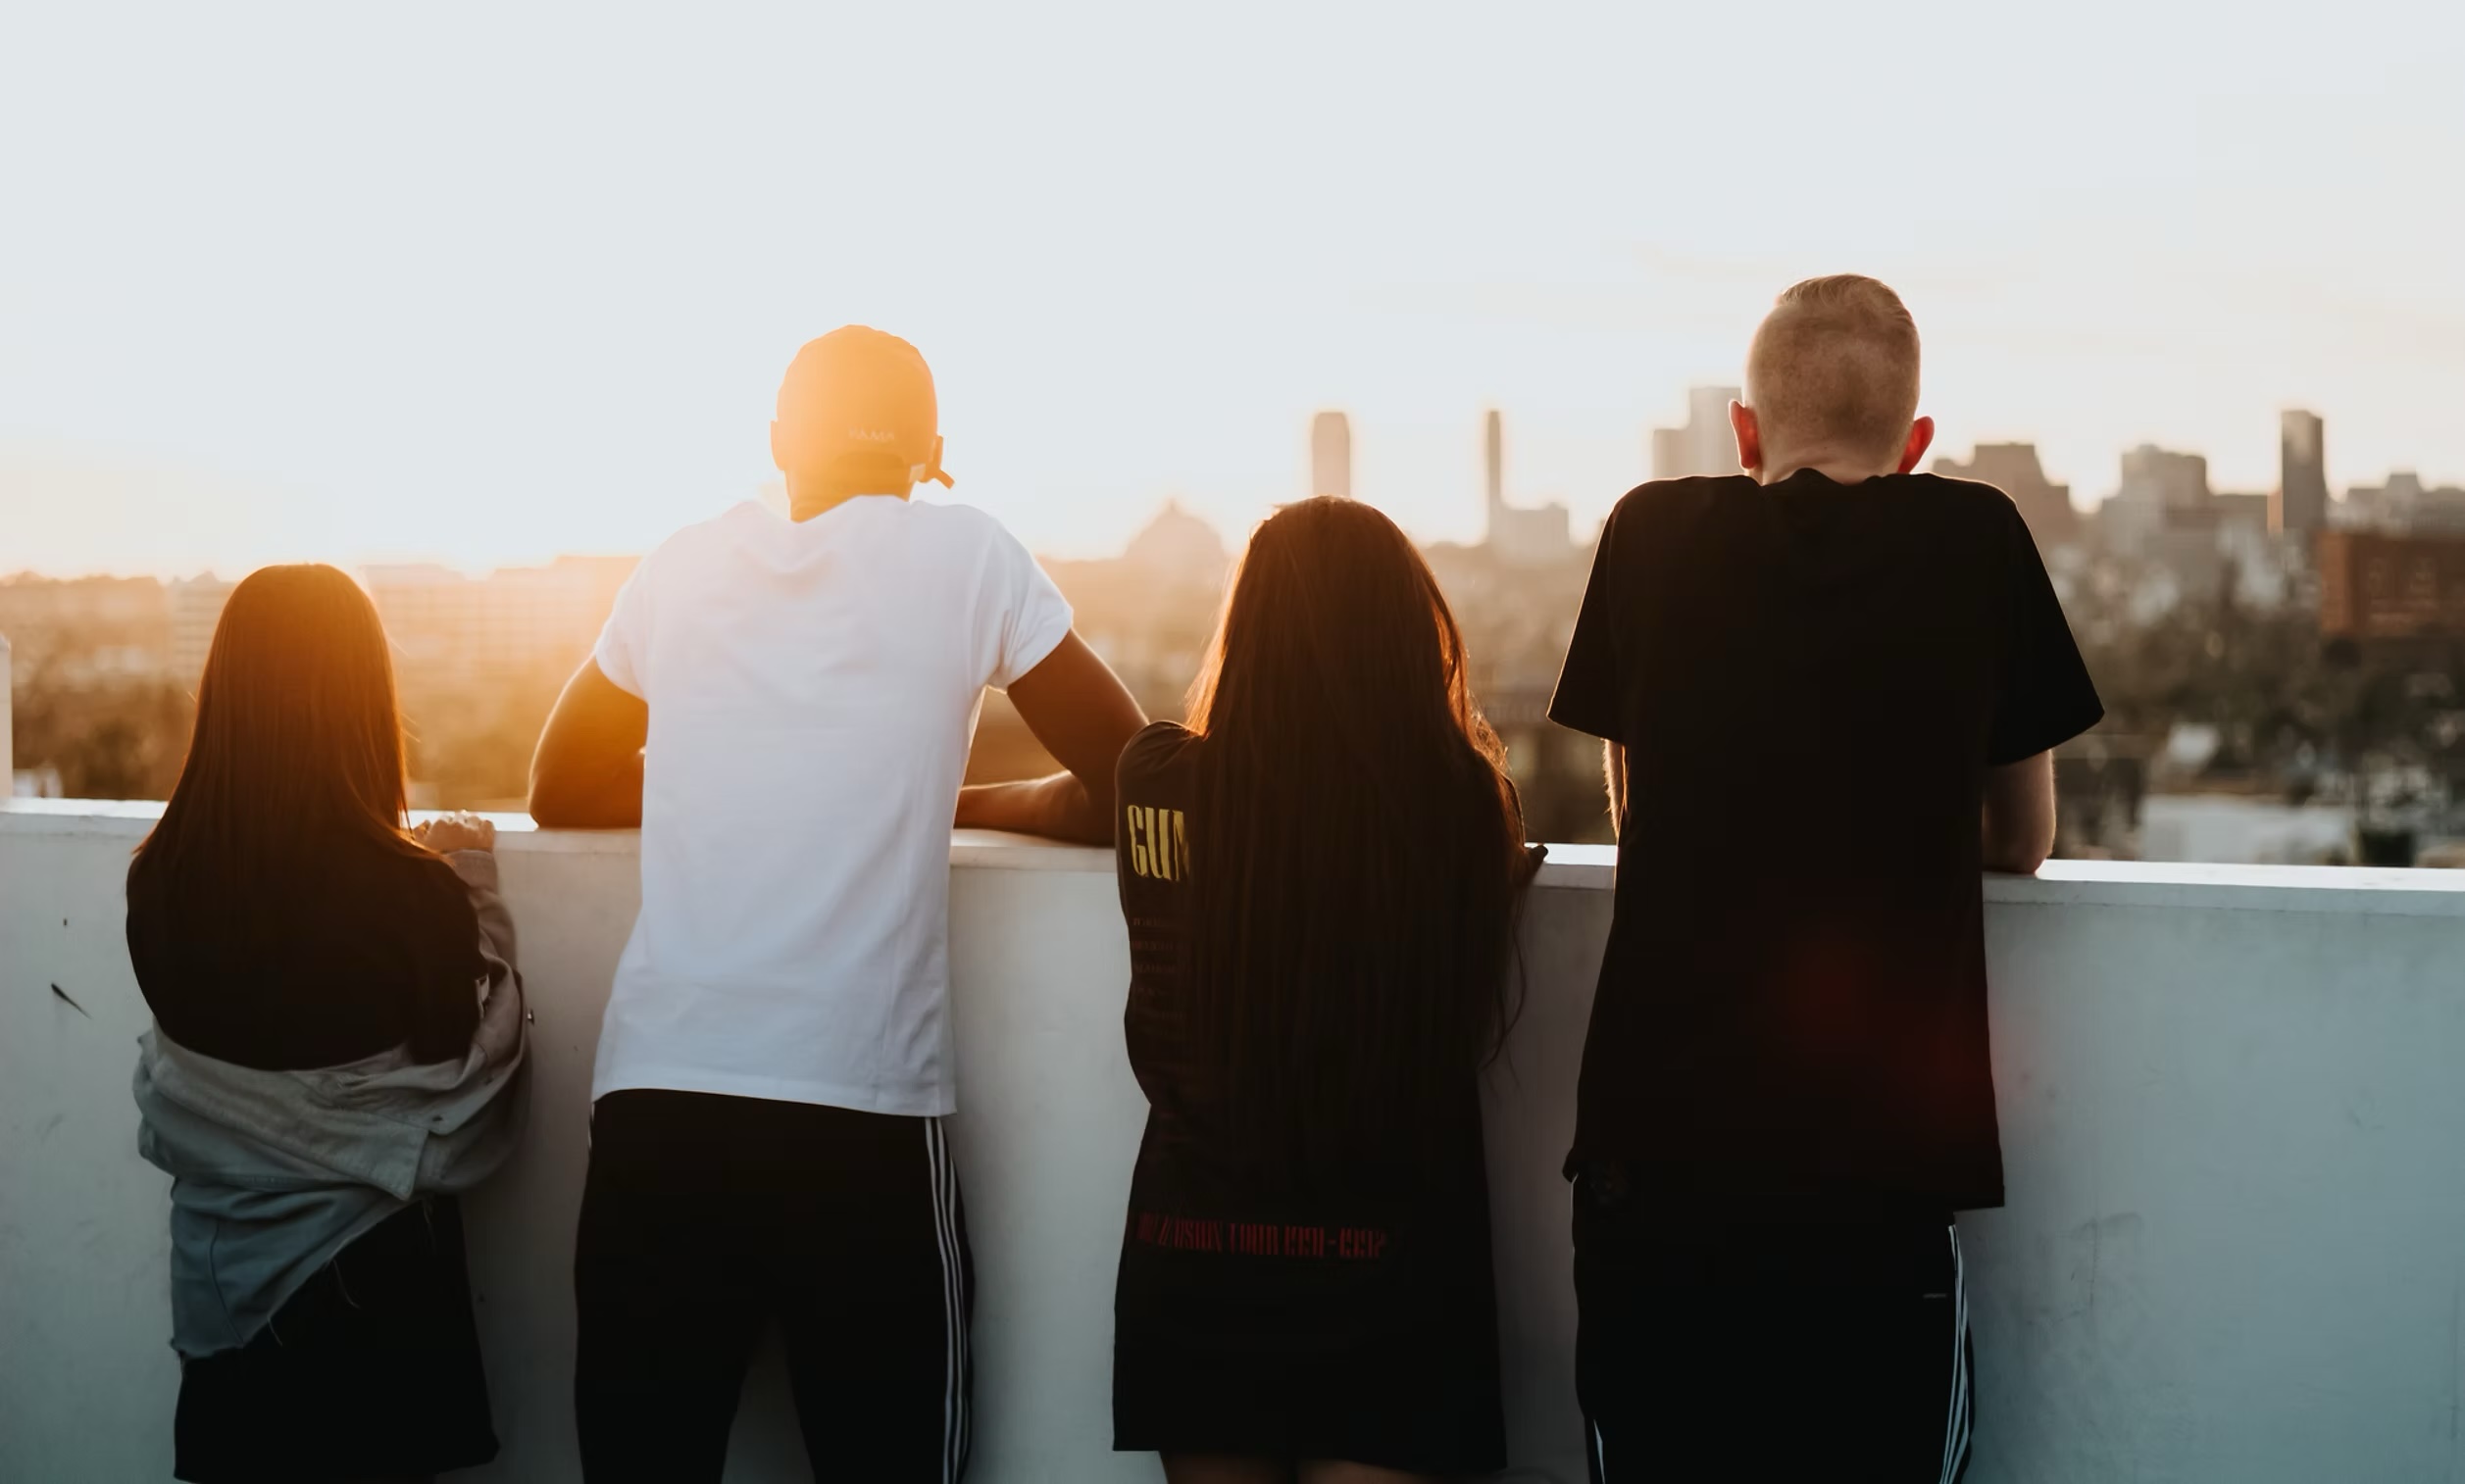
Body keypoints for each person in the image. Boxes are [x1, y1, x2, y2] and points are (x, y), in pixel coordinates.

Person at [530, 325, 1148, 1482]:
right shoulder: (969, 555)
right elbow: (1134, 776)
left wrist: (743, 768)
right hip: (855, 1115)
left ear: (777, 442)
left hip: (660, 1103)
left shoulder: (684, 560)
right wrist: (944, 789)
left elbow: (557, 784)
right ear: (934, 454)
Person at [1547, 275, 2104, 1480]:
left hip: (1659, 1164)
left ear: (1744, 433)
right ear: (1916, 445)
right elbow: (2024, 836)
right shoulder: (1978, 537)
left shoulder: (1648, 532)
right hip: (1875, 1175)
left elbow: (1640, 809)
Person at [1108, 496, 1537, 1484]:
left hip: (1199, 1262)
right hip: (1393, 1275)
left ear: (1246, 626)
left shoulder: (1154, 779)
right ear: (1405, 632)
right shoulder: (1461, 809)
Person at [126, 563, 529, 1484]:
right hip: (373, 1306)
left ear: (223, 693)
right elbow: (460, 1066)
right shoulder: (410, 894)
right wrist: (474, 890)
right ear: (362, 700)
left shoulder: (157, 886)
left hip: (222, 1305)